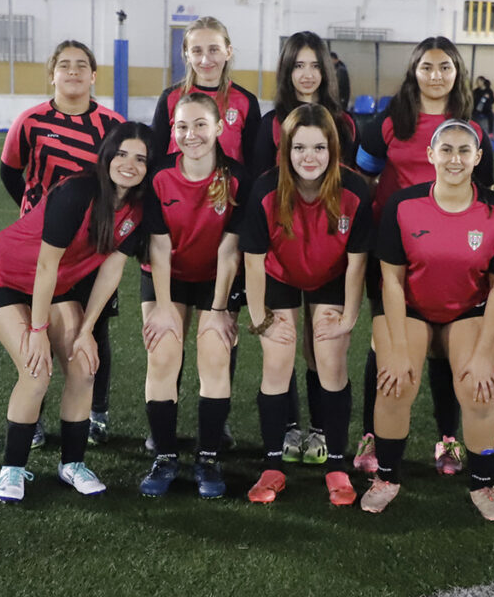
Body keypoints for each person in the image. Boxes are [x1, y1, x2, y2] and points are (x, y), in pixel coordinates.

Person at [0, 122, 150, 503]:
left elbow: (111, 270)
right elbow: (45, 266)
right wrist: (37, 330)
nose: (129, 164)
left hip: (58, 286)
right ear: (106, 155)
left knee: (84, 366)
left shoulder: (139, 208)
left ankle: (72, 464)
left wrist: (86, 328)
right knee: (35, 371)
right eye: (121, 154)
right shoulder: (77, 191)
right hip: (5, 276)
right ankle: (13, 468)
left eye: (140, 158)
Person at [361, 120, 494, 521]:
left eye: (464, 151)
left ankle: (483, 484)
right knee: (395, 384)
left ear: (478, 157)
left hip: (466, 310)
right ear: (430, 155)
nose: (454, 158)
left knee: (478, 389)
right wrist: (395, 351)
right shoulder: (402, 205)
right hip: (409, 307)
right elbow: (391, 282)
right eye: (445, 150)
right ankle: (387, 477)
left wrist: (484, 355)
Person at [355, 36, 494, 477]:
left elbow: (484, 196)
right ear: (413, 71)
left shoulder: (470, 129)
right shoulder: (388, 123)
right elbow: (365, 176)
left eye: (445, 68)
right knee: (386, 343)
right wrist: (395, 222)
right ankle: (372, 436)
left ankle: (449, 440)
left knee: (444, 347)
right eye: (427, 67)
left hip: (452, 260)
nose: (436, 76)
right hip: (395, 254)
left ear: (458, 73)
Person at [240, 103, 371, 506]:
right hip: (280, 275)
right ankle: (273, 464)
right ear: (285, 150)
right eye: (299, 148)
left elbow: (357, 262)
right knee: (277, 360)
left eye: (318, 147)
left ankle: (336, 464)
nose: (308, 157)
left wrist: (349, 317)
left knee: (330, 358)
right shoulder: (265, 190)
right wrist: (260, 316)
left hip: (330, 275)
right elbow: (254, 261)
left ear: (332, 148)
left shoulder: (355, 191)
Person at [0, 40, 124, 448]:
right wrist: (42, 215)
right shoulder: (30, 121)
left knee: (94, 330)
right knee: (37, 330)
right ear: (52, 73)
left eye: (81, 65)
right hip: (42, 249)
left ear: (93, 75)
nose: (73, 72)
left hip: (93, 248)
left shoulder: (112, 126)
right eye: (64, 65)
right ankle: (32, 416)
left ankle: (95, 413)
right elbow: (10, 174)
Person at [251, 30, 360, 468]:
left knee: (323, 347)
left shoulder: (345, 123)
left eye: (316, 65)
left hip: (328, 251)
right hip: (280, 251)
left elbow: (345, 185)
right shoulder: (270, 122)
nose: (308, 73)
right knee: (282, 342)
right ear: (287, 70)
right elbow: (264, 189)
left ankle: (322, 432)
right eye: (299, 64)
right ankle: (288, 430)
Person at [138, 93, 249, 499]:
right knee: (164, 350)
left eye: (201, 125)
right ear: (172, 131)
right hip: (165, 275)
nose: (191, 134)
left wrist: (219, 309)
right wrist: (165, 308)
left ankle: (207, 457)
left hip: (214, 278)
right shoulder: (158, 175)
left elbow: (228, 249)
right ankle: (165, 456)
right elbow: (159, 247)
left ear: (220, 128)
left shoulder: (237, 177)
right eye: (182, 126)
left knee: (215, 353)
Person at [150, 16, 260, 167]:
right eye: (197, 51)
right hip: (176, 190)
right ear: (187, 54)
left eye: (214, 50)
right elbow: (155, 157)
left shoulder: (245, 102)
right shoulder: (170, 98)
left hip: (227, 189)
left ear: (228, 52)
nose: (205, 60)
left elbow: (253, 163)